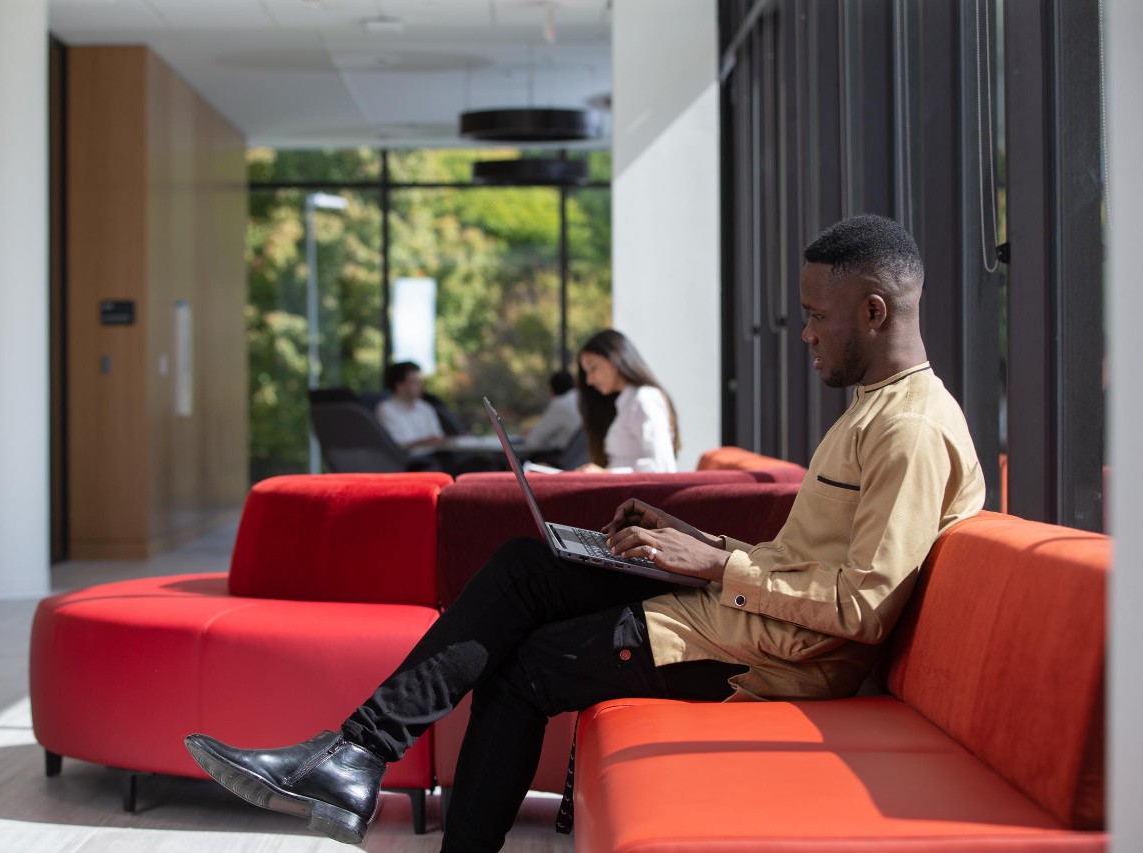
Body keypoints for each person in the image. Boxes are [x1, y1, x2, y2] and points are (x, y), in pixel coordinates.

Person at [184, 214, 986, 851]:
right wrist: (684, 537)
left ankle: (355, 763)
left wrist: (711, 566)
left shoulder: (910, 431)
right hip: (751, 615)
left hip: (774, 658)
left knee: (528, 664)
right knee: (527, 566)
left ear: (874, 311)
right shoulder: (873, 411)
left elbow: (861, 612)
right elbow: (809, 561)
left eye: (818, 316)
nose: (806, 334)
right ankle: (355, 754)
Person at [575, 329, 679, 473]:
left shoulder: (644, 399)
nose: (589, 380)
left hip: (637, 495)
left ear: (615, 358)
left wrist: (606, 474)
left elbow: (662, 467)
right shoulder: (625, 404)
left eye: (593, 368)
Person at [375, 361, 446, 453]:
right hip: (408, 464)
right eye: (414, 382)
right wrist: (426, 442)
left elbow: (439, 438)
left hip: (436, 458)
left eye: (420, 381)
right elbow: (396, 447)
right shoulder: (385, 410)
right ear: (399, 386)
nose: (420, 385)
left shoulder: (426, 408)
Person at [520, 371, 582, 455]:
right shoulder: (581, 399)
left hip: (569, 460)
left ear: (552, 391)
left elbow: (534, 442)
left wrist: (529, 434)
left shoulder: (560, 404)